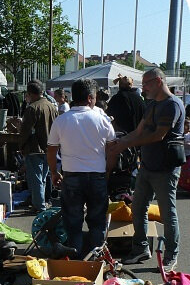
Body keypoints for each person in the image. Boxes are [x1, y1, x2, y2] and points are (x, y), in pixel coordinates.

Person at [109, 68, 185, 272]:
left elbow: (158, 135)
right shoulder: (151, 104)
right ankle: (141, 247)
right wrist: (120, 141)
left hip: (165, 169)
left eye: (147, 83)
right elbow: (139, 131)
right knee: (138, 208)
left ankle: (170, 255)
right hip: (147, 167)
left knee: (167, 214)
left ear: (159, 81)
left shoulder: (172, 105)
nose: (144, 88)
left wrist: (125, 145)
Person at [47, 79, 117, 258]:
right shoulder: (102, 120)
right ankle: (95, 258)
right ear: (90, 98)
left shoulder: (61, 120)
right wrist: (107, 171)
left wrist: (54, 172)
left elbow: (51, 149)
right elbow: (112, 149)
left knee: (73, 221)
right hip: (97, 176)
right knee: (97, 221)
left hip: (71, 177)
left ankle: (76, 258)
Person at [17, 80, 58, 213]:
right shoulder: (51, 106)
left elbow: (25, 131)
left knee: (36, 179)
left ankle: (39, 206)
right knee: (43, 178)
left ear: (30, 93)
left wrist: (21, 145)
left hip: (34, 147)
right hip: (49, 147)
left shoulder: (33, 108)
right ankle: (41, 203)